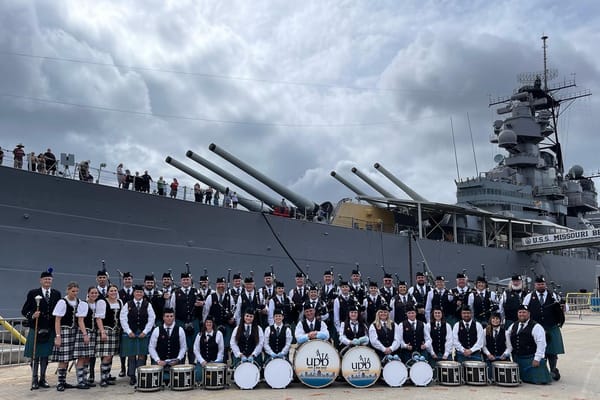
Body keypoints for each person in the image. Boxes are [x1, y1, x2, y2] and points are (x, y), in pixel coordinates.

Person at [21, 268, 61, 390]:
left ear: (52, 280)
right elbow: (24, 310)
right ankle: (34, 379)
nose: (47, 281)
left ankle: (42, 379)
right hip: (36, 328)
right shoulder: (33, 293)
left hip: (49, 328)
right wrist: (33, 315)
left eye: (49, 279)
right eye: (45, 279)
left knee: (45, 355)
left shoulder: (56, 294)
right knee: (35, 355)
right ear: (41, 280)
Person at [523, 276, 565, 381]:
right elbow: (524, 310)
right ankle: (542, 370)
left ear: (545, 284)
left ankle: (553, 370)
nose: (540, 286)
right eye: (538, 284)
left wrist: (563, 306)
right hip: (535, 327)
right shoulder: (529, 296)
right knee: (539, 351)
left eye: (542, 284)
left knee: (552, 351)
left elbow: (564, 308)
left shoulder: (553, 295)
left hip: (551, 326)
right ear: (535, 285)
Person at [119, 285, 156, 385]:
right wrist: (128, 331)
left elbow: (152, 319)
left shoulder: (147, 304)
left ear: (143, 294)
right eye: (137, 292)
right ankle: (132, 376)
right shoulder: (128, 304)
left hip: (143, 333)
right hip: (131, 332)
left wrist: (145, 331)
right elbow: (123, 318)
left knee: (142, 355)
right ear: (133, 293)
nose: (139, 294)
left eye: (140, 292)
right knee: (131, 355)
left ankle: (141, 374)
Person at [508, 304, 552, 384]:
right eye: (520, 312)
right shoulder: (514, 325)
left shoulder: (536, 327)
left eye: (524, 312)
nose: (522, 314)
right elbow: (507, 337)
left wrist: (537, 359)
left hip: (531, 359)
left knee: (539, 382)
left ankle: (553, 373)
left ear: (529, 314)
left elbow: (541, 344)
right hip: (518, 359)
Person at [51, 281, 81, 391]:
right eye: (73, 291)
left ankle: (64, 381)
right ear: (68, 290)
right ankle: (60, 382)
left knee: (69, 358)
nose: (75, 293)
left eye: (77, 291)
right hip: (64, 332)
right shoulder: (62, 302)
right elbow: (57, 320)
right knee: (63, 359)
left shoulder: (78, 302)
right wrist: (58, 336)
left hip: (74, 332)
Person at [169, 272, 203, 364]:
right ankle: (181, 368)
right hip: (180, 322)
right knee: (181, 346)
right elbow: (173, 309)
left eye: (187, 279)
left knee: (193, 346)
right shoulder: (175, 293)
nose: (185, 281)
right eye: (184, 280)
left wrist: (201, 304)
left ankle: (193, 367)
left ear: (190, 280)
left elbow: (202, 308)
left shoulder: (196, 291)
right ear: (181, 281)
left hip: (194, 321)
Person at [148, 308, 187, 386]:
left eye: (171, 316)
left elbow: (183, 347)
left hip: (175, 361)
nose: (169, 318)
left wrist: (178, 359)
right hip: (161, 361)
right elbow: (151, 347)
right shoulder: (157, 330)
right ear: (163, 317)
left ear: (174, 317)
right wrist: (158, 360)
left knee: (178, 382)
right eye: (167, 316)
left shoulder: (180, 330)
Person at [95, 284, 122, 387]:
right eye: (111, 291)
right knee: (106, 356)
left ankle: (107, 376)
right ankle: (103, 378)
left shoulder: (119, 302)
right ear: (107, 292)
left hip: (115, 332)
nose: (113, 292)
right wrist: (102, 331)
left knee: (110, 356)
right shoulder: (102, 302)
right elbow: (98, 318)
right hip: (106, 331)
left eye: (115, 290)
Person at [73, 287, 100, 389]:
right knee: (81, 357)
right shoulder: (84, 304)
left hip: (92, 333)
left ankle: (85, 379)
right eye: (92, 293)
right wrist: (84, 334)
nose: (94, 294)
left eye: (95, 293)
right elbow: (80, 320)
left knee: (88, 357)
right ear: (88, 293)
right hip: (84, 332)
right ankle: (80, 381)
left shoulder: (96, 304)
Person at [203, 277, 235, 355]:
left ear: (225, 285)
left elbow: (233, 310)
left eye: (222, 284)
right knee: (214, 345)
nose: (221, 286)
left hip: (226, 325)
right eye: (219, 284)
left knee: (226, 346)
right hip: (214, 326)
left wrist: (232, 319)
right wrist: (205, 325)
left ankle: (225, 362)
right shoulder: (210, 297)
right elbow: (205, 313)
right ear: (216, 285)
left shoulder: (229, 297)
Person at [193, 316, 225, 383]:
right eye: (207, 322)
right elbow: (196, 349)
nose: (208, 324)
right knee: (198, 378)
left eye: (210, 322)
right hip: (203, 362)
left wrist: (216, 361)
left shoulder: (219, 334)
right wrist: (202, 361)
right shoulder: (199, 335)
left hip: (215, 361)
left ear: (213, 323)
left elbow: (221, 350)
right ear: (205, 324)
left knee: (214, 379)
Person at [482, 312, 511, 381]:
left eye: (497, 318)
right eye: (493, 318)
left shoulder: (505, 332)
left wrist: (505, 354)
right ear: (490, 319)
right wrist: (488, 354)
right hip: (489, 359)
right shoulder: (485, 331)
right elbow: (483, 346)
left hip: (502, 359)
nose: (495, 320)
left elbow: (509, 347)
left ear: (500, 321)